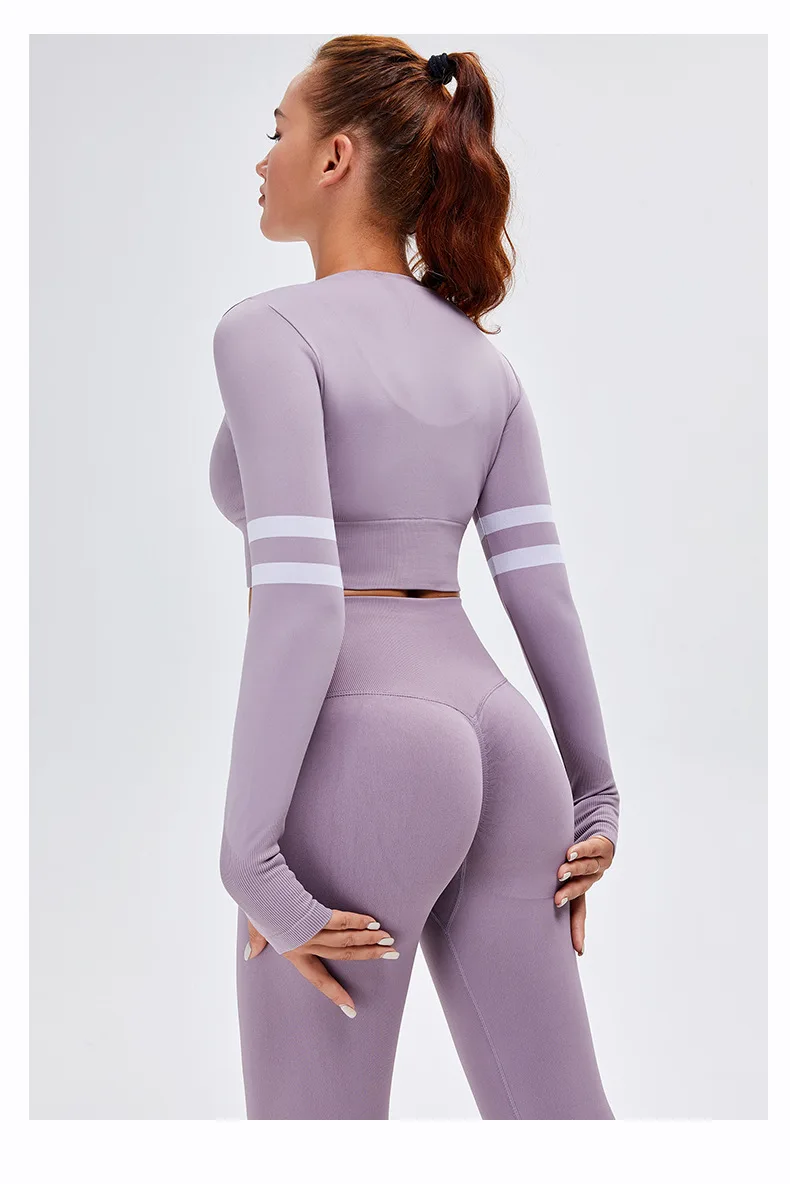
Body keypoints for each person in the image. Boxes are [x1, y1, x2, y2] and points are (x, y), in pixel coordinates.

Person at [208, 35, 620, 1121]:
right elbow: (541, 591)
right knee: (563, 1121)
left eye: (278, 132)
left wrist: (248, 854)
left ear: (335, 156)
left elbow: (301, 599)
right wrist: (595, 791)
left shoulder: (265, 333)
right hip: (508, 739)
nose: (262, 159)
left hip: (362, 742)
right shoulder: (485, 364)